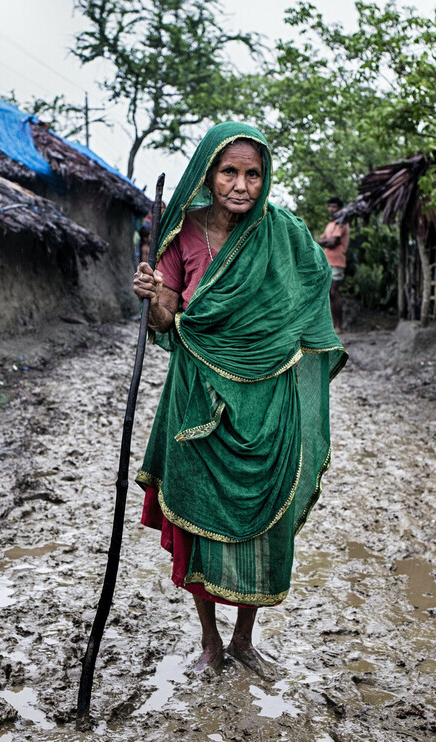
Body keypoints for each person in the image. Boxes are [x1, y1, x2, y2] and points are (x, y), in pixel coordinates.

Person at [132, 122, 347, 677]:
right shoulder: (181, 235)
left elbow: (311, 294)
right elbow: (169, 318)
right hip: (197, 397)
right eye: (230, 171)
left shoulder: (287, 234)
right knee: (198, 520)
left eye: (253, 174)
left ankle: (244, 640)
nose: (242, 184)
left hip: (268, 399)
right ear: (209, 173)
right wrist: (155, 294)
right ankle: (209, 641)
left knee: (265, 520)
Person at [317, 197, 349, 332]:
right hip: (327, 261)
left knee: (334, 291)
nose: (331, 209)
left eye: (334, 207)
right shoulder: (330, 225)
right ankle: (332, 325)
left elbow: (332, 243)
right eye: (330, 206)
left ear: (340, 209)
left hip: (337, 262)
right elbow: (322, 240)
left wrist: (325, 241)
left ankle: (339, 326)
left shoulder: (341, 224)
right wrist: (326, 241)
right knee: (328, 294)